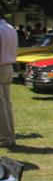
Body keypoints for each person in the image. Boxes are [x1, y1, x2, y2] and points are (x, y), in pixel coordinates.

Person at [0, 9, 17, 148]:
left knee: (1, 105)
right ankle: (10, 135)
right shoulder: (10, 28)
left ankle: (5, 138)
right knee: (6, 104)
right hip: (8, 67)